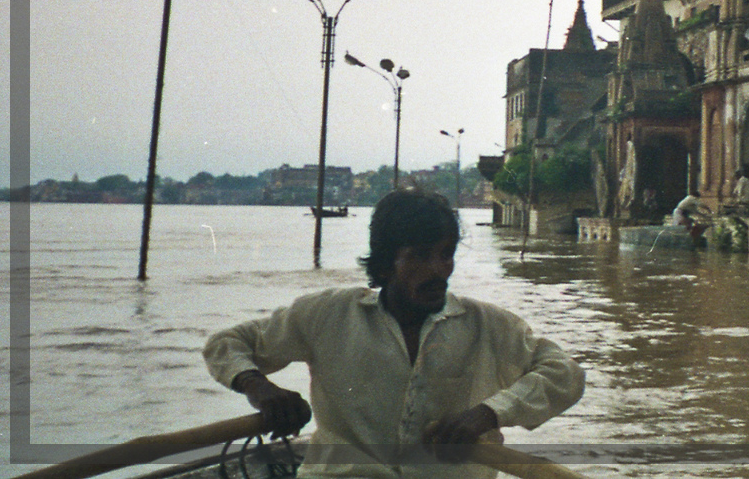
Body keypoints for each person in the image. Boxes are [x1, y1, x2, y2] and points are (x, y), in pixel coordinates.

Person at [203, 188, 584, 476]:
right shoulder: (328, 314)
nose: (439, 269)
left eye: (446, 253)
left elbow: (565, 374)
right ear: (385, 264)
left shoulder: (488, 325)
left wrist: (489, 414)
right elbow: (227, 343)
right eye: (420, 256)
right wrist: (260, 387)